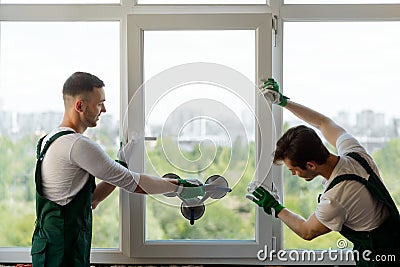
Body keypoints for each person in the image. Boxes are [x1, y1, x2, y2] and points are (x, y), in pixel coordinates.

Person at [31, 72, 204, 267]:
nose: (103, 109)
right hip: (62, 257)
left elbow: (92, 199)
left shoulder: (48, 140)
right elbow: (134, 183)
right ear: (80, 106)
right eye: (99, 103)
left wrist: (120, 163)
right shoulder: (77, 144)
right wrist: (179, 186)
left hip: (50, 250)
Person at [247, 78, 400, 266]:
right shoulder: (354, 153)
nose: (294, 175)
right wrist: (283, 101)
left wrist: (275, 207)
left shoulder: (335, 199)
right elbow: (323, 123)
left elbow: (307, 231)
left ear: (310, 165)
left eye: (294, 170)